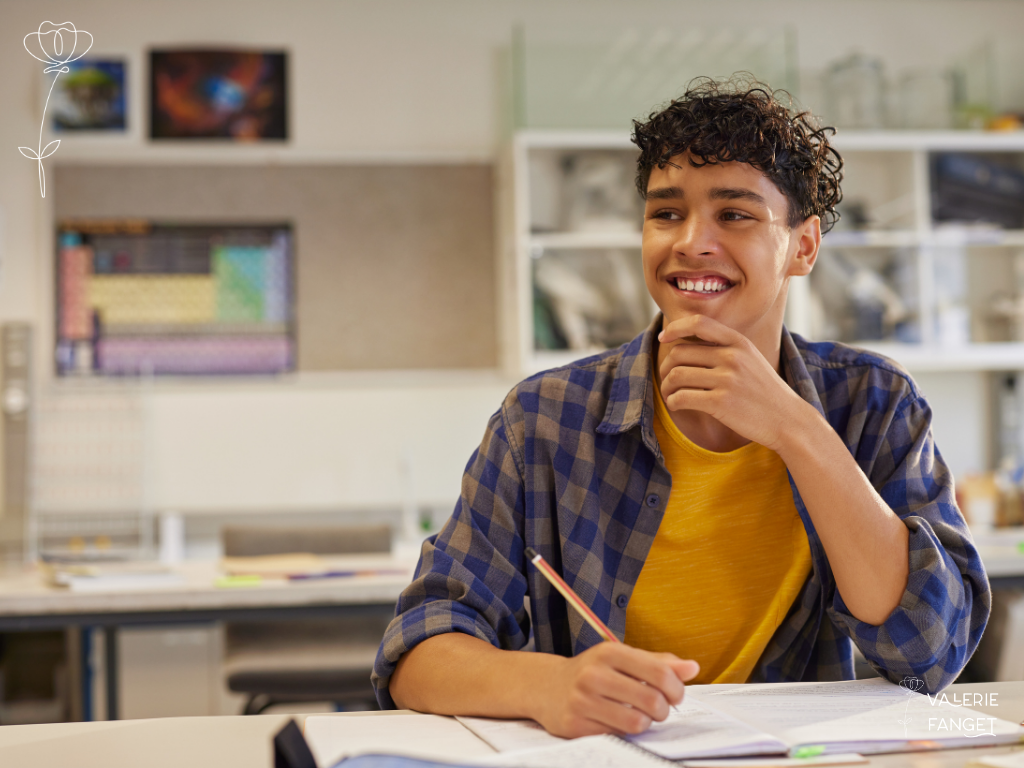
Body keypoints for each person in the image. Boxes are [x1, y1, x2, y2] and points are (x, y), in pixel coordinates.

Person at [371, 77, 990, 738]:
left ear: (803, 246)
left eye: (735, 214)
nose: (691, 241)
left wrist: (796, 429)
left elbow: (929, 654)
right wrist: (549, 685)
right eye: (666, 213)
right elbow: (414, 655)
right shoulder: (543, 421)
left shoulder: (872, 402)